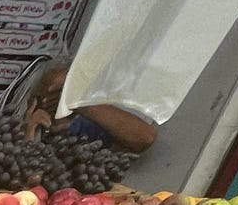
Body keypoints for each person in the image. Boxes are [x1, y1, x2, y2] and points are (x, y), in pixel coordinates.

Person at [24, 62, 158, 155]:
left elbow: (145, 137)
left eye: (61, 93)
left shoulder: (87, 127)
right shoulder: (35, 128)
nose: (56, 101)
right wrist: (29, 132)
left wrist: (79, 103)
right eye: (51, 95)